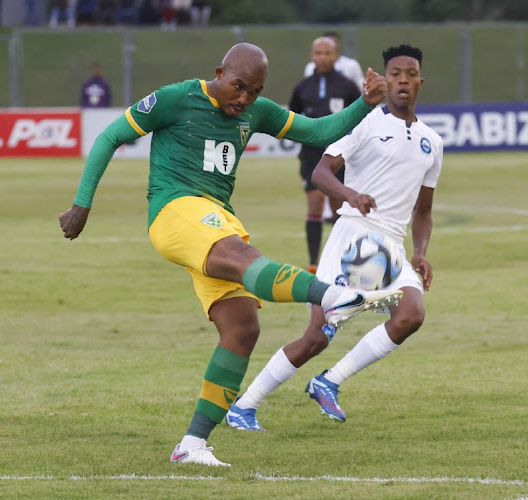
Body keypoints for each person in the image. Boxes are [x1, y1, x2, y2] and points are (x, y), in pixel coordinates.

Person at [58, 43, 403, 467]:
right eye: (238, 86)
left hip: (215, 217)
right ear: (219, 72)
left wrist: (364, 104)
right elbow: (112, 135)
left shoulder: (255, 112)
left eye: (254, 91)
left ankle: (192, 445)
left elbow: (316, 132)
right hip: (175, 210)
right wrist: (82, 203)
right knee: (243, 255)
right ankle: (331, 295)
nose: (244, 99)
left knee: (242, 328)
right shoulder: (175, 98)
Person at [226, 44, 443, 431]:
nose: (403, 80)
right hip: (355, 237)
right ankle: (244, 405)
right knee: (317, 335)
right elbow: (322, 173)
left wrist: (420, 252)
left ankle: (328, 381)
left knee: (411, 315)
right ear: (384, 80)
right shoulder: (365, 122)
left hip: (392, 244)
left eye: (410, 74)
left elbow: (423, 210)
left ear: (420, 82)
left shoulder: (432, 141)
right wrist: (351, 195)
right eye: (395, 74)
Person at [289, 37, 361, 274]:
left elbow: (361, 116)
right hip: (310, 155)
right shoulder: (302, 86)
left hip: (339, 155)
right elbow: (292, 117)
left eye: (327, 53)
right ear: (312, 55)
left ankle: (341, 259)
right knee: (315, 202)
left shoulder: (348, 86)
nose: (322, 57)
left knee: (338, 206)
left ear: (336, 56)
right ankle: (313, 262)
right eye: (318, 52)